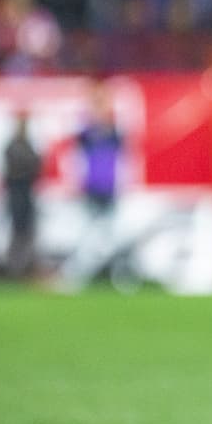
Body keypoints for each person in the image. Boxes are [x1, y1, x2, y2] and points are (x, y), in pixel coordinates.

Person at [58, 83, 127, 290]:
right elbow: (73, 157)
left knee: (113, 234)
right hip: (90, 189)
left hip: (110, 189)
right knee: (86, 234)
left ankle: (117, 275)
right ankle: (78, 275)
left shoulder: (115, 132)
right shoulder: (85, 134)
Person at [1, 110, 42, 280]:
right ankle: (14, 269)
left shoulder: (24, 145)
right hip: (17, 195)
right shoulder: (14, 146)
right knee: (18, 233)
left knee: (27, 234)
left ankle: (24, 268)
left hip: (25, 195)